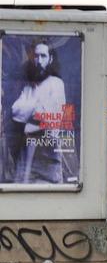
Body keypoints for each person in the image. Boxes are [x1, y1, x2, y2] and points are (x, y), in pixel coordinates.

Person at [9, 40, 67, 184]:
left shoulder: (56, 83)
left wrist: (30, 117)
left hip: (48, 157)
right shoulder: (29, 87)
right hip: (27, 156)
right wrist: (36, 112)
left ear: (50, 59)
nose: (39, 60)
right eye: (36, 56)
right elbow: (15, 111)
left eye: (43, 56)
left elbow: (51, 118)